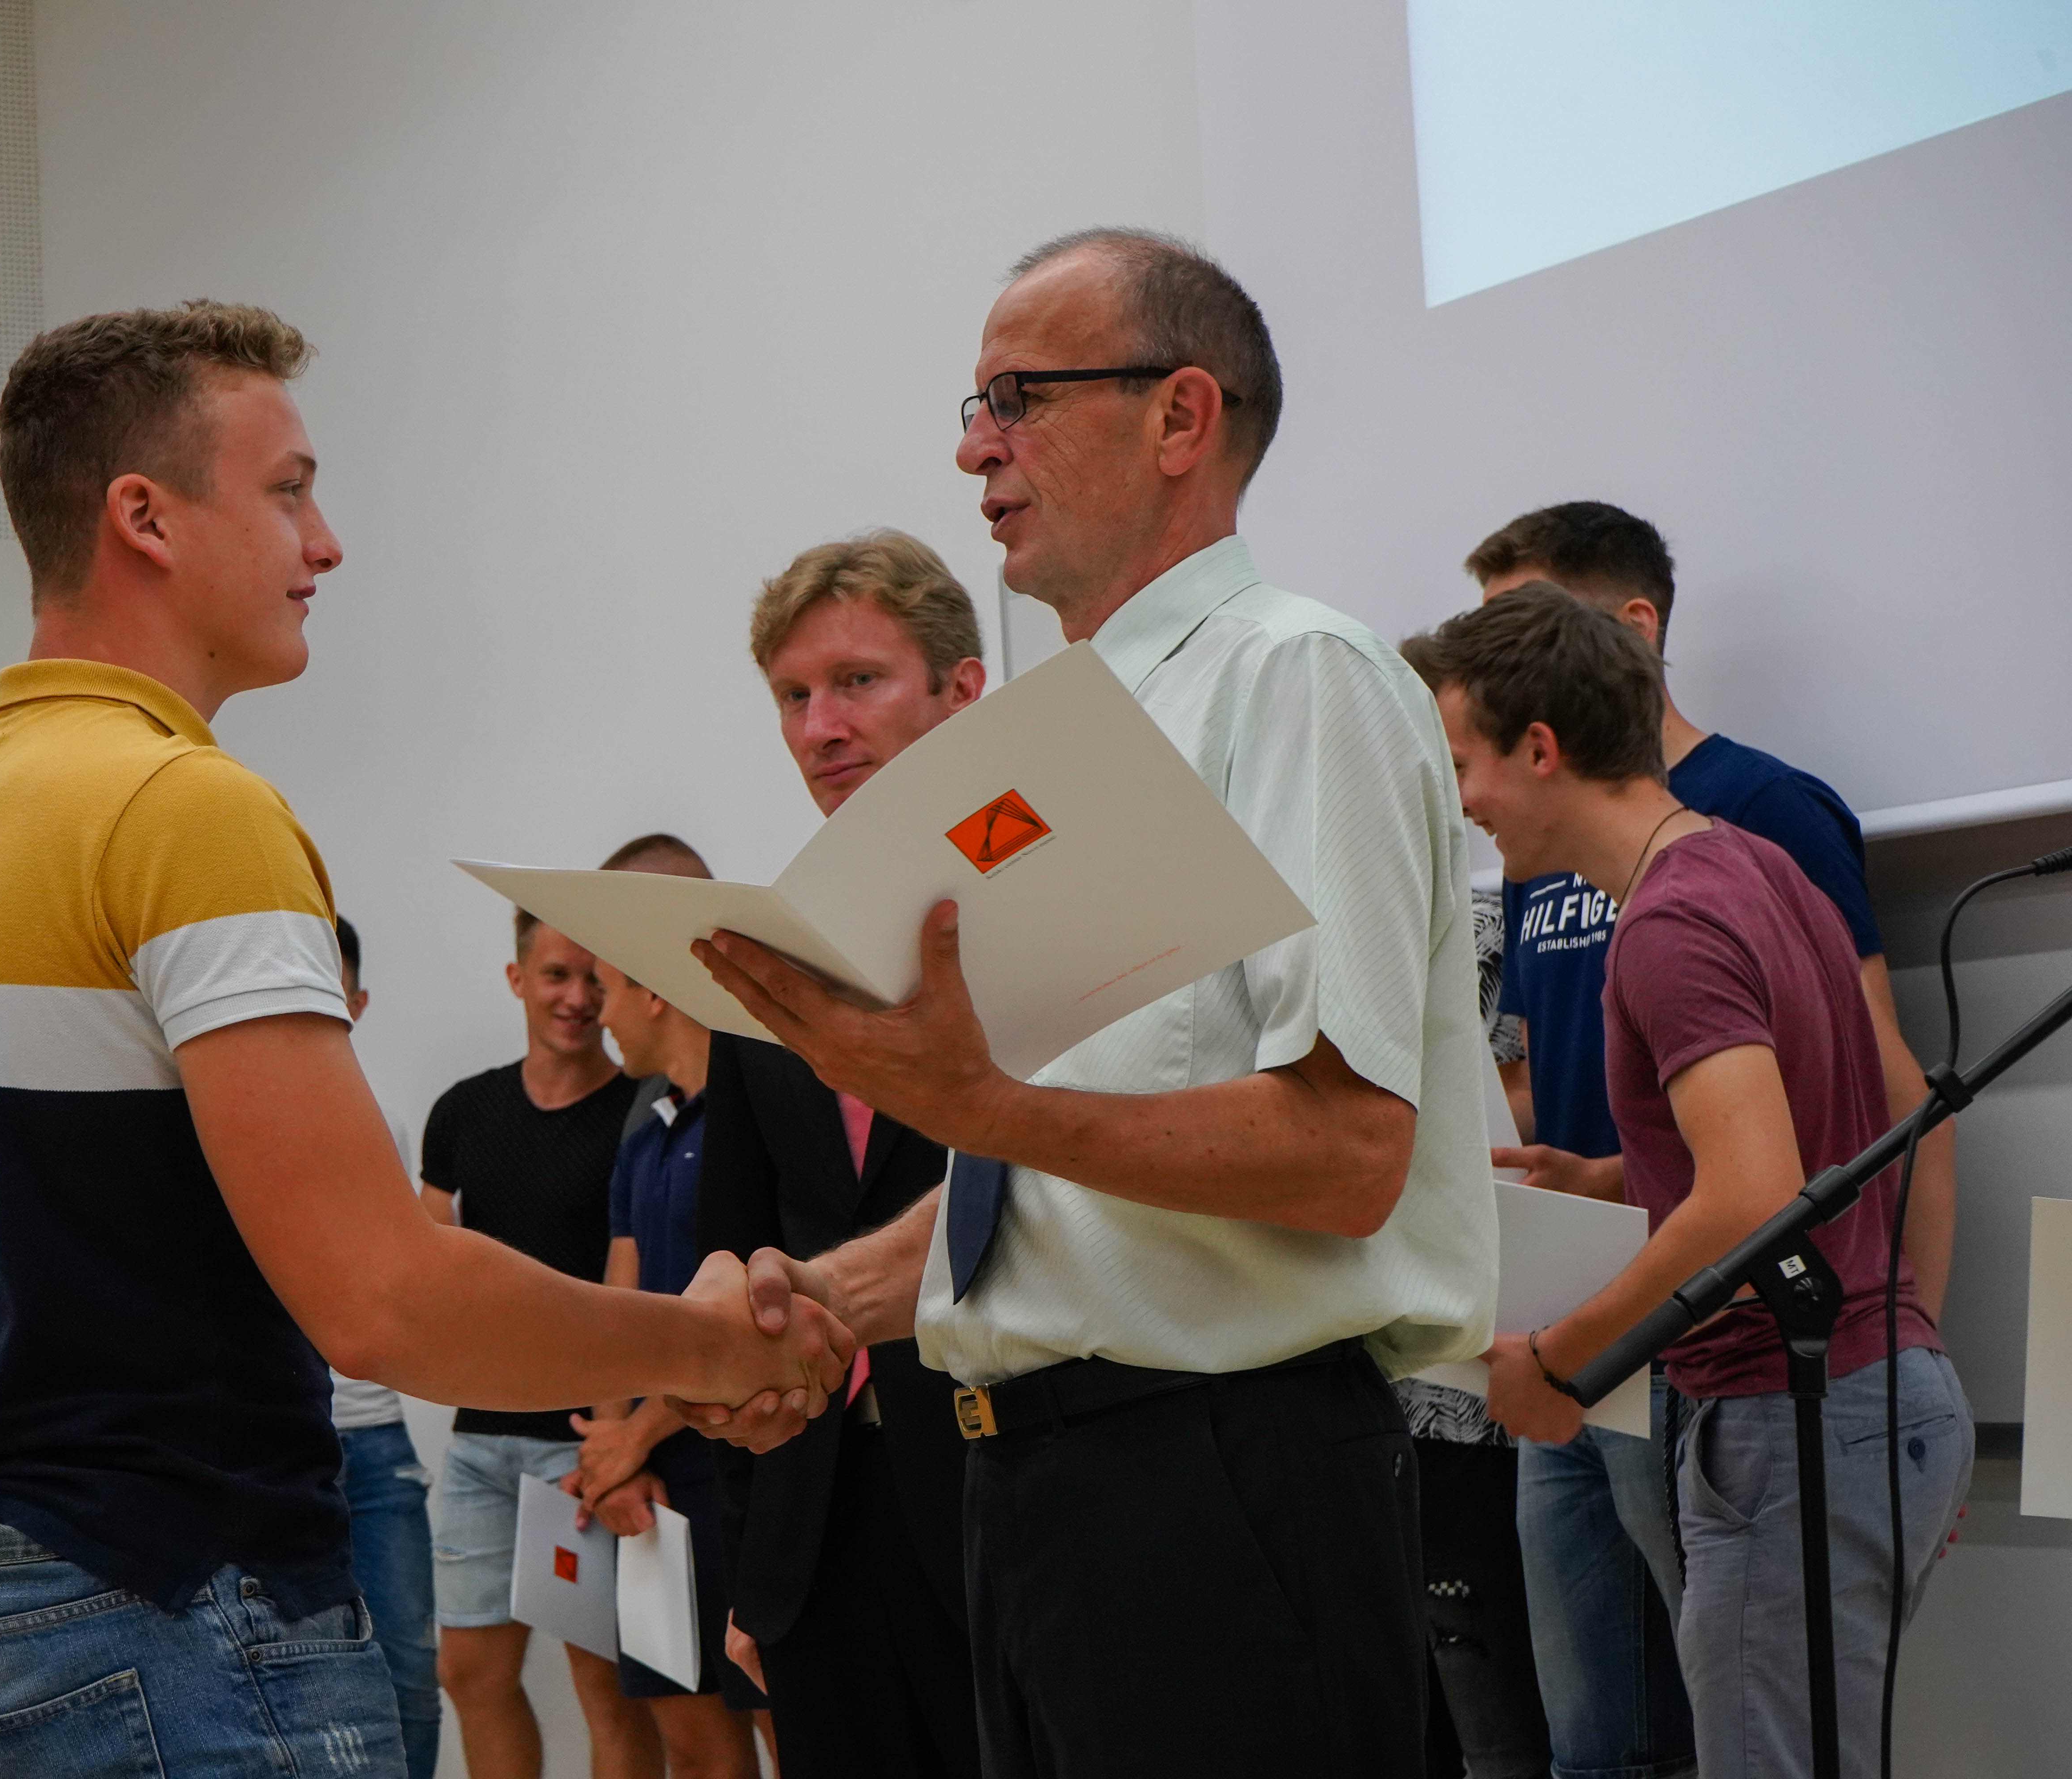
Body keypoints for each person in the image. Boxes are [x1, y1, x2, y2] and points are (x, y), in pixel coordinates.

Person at [0, 302, 851, 1779]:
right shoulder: (186, 809)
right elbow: (383, 1302)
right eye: (290, 490)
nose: (328, 544)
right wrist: (704, 1346)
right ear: (145, 518)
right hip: (170, 1609)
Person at [686, 229, 1496, 1778]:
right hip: (1030, 1495)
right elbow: (1053, 1189)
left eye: (1017, 398)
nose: (972, 448)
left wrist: (977, 1104)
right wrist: (811, 1307)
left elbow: (1344, 1153)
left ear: (1179, 416)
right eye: (974, 403)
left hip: (1218, 1480)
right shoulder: (1065, 737)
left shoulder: (1294, 675)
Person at [1401, 584, 1973, 1779]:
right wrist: (1619, 1173)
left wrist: (1560, 1362)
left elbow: (1751, 1199)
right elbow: (1803, 1140)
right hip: (1859, 1397)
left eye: (1464, 766)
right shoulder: (1755, 864)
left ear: (1540, 749)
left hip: (1788, 1416)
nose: (1463, 803)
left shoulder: (1669, 924)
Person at [695, 533, 984, 1779]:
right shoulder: (757, 956)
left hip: (1003, 1498)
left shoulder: (1046, 915)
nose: (821, 727)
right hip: (813, 1537)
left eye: (858, 682)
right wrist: (750, 1571)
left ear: (960, 693)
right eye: (793, 696)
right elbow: (734, 1260)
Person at [422, 910, 662, 1779]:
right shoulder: (463, 1111)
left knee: (605, 1687)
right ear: (517, 978)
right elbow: (427, 1262)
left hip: (586, 1442)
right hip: (481, 1440)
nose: (578, 997)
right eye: (557, 974)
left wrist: (621, 1433)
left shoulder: (642, 1110)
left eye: (595, 977)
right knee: (469, 1672)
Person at [566, 832, 771, 1779]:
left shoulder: (764, 1108)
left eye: (606, 982)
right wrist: (614, 1453)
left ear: (653, 985)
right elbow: (619, 1297)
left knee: (789, 1726)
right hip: (653, 1483)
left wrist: (633, 1439)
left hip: (752, 1469)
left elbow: (759, 1318)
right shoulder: (645, 1129)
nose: (598, 1011)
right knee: (692, 1747)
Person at [1397, 881, 1554, 1779]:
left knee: (1501, 1726)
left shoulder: (1485, 919)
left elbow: (1521, 1113)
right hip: (1341, 1394)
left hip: (1466, 1385)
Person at [329, 913, 446, 1779]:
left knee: (408, 1676)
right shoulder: (211, 1119)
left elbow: (395, 1285)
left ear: (358, 1003)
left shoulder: (384, 1125)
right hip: (264, 1445)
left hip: (373, 1435)